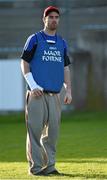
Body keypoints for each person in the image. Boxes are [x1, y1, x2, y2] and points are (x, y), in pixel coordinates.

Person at [21, 6, 72, 176]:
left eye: (57, 17)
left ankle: (50, 167)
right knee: (34, 132)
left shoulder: (62, 43)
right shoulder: (34, 39)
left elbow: (65, 68)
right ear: (44, 19)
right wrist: (32, 84)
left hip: (55, 95)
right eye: (50, 17)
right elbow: (25, 63)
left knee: (53, 134)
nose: (54, 20)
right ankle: (36, 168)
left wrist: (68, 90)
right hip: (36, 94)